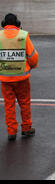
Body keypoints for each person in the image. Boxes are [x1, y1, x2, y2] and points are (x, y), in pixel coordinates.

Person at [0, 13, 38, 141]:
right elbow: (33, 56)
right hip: (22, 79)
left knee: (9, 105)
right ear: (18, 24)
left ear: (3, 24)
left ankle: (11, 131)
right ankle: (26, 128)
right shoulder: (23, 35)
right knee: (24, 103)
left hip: (5, 80)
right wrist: (31, 66)